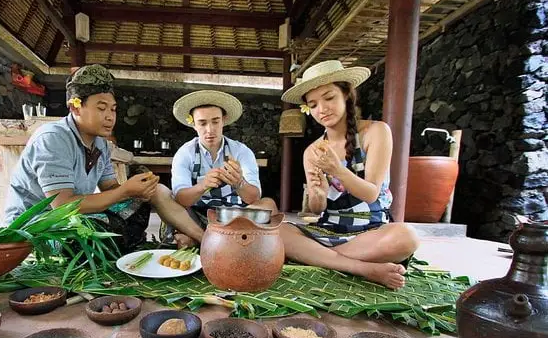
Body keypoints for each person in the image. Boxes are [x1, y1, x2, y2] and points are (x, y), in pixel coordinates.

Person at [4, 64, 204, 252]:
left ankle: (205, 240)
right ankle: (120, 246)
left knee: (153, 193)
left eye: (113, 109)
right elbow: (63, 205)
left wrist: (138, 190)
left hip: (73, 217)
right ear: (75, 107)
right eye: (101, 108)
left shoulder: (101, 144)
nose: (110, 116)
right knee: (93, 231)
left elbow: (110, 189)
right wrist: (125, 190)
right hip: (38, 228)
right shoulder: (53, 138)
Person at [279, 60, 419, 289]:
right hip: (327, 231)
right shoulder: (312, 151)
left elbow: (372, 194)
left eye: (329, 97)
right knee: (278, 230)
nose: (322, 109)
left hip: (371, 233)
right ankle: (363, 268)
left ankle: (319, 259)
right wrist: (317, 192)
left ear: (346, 94)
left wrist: (337, 170)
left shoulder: (376, 132)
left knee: (407, 236)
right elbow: (317, 209)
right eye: (313, 105)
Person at [168, 90, 277, 247]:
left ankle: (211, 239)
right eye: (202, 123)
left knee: (268, 204)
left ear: (224, 120)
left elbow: (254, 198)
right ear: (193, 124)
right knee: (161, 193)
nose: (210, 129)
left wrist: (239, 182)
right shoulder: (185, 152)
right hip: (197, 215)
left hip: (235, 216)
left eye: (215, 121)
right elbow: (181, 198)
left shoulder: (241, 151)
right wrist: (203, 185)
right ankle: (209, 238)